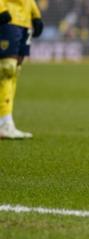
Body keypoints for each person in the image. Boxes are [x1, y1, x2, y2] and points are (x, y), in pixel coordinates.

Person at [0, 0, 43, 139]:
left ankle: (6, 122)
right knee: (6, 69)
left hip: (25, 21)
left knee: (14, 72)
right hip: (8, 17)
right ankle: (3, 121)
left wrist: (35, 14)